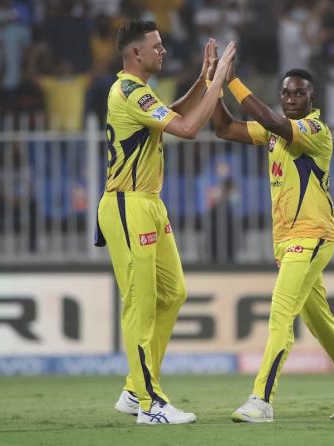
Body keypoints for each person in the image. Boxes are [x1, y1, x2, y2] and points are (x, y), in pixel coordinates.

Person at [207, 46, 334, 422]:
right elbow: (224, 129)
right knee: (321, 323)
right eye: (286, 92)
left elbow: (273, 123)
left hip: (312, 235)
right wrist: (213, 85)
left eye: (298, 92)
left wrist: (233, 81)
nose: (291, 98)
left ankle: (261, 400)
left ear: (311, 97)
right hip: (288, 240)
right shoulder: (276, 132)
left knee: (280, 313)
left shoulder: (315, 130)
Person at [95, 20, 235, 425]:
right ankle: (149, 404)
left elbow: (171, 116)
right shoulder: (127, 89)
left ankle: (134, 386)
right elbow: (188, 129)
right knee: (139, 303)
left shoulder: (138, 92)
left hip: (151, 203)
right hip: (127, 204)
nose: (163, 51)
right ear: (135, 53)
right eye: (156, 46)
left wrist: (203, 81)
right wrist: (218, 82)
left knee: (173, 293)